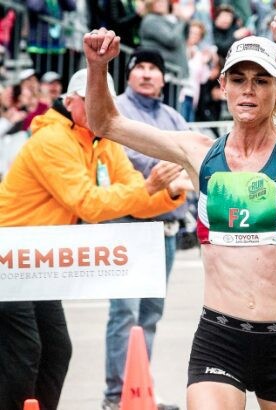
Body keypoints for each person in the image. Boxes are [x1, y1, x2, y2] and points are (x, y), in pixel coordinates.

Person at [83, 11, 276, 409]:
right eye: (238, 79)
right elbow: (104, 122)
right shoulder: (197, 152)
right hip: (220, 337)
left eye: (261, 81)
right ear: (222, 86)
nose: (248, 90)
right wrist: (97, 67)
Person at [0, 68, 187, 410]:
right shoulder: (52, 140)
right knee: (25, 350)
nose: (97, 109)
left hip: (36, 261)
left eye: (104, 103)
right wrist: (149, 186)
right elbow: (87, 203)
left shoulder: (102, 140)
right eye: (90, 102)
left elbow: (134, 194)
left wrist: (167, 193)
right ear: (70, 101)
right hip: (9, 259)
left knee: (57, 350)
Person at [101, 48, 191, 410]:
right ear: (129, 75)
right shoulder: (116, 111)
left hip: (164, 228)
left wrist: (172, 170)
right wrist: (167, 166)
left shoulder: (173, 117)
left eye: (154, 68)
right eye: (140, 67)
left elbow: (190, 160)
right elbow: (122, 159)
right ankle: (115, 395)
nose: (147, 74)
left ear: (164, 78)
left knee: (151, 314)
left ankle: (139, 391)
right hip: (127, 224)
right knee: (125, 312)